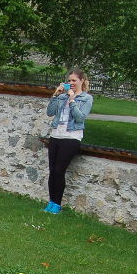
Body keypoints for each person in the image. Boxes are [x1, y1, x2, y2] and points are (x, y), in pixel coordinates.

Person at [43, 69, 93, 214]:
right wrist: (55, 95)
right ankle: (51, 203)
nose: (70, 83)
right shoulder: (62, 96)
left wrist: (72, 100)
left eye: (74, 81)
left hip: (71, 138)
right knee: (52, 171)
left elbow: (80, 118)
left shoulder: (86, 98)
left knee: (59, 171)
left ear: (81, 81)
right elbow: (50, 112)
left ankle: (57, 205)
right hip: (56, 135)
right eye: (69, 80)